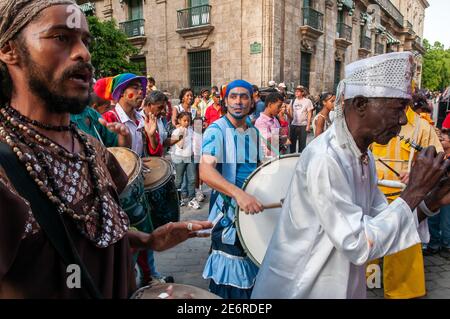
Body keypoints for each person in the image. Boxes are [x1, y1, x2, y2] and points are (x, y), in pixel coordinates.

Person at [0, 0, 212, 299]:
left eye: (85, 41)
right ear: (10, 50)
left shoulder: (94, 150)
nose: (83, 53)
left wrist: (148, 239)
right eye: (61, 37)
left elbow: (92, 234)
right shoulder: (5, 165)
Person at [252, 52, 450, 299]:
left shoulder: (362, 157)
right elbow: (358, 243)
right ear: (360, 104)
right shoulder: (325, 158)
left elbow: (380, 220)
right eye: (397, 109)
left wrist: (432, 200)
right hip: (303, 288)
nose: (401, 120)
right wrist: (415, 190)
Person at [371, 91, 443, 299]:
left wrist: (416, 172)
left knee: (402, 254)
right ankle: (369, 282)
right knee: (365, 253)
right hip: (370, 195)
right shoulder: (376, 119)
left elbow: (437, 159)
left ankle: (401, 291)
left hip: (403, 199)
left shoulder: (422, 126)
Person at [200, 79, 264, 299]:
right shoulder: (215, 130)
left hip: (251, 213)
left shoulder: (253, 132)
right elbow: (205, 172)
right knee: (232, 286)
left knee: (252, 278)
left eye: (244, 96)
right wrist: (239, 194)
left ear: (252, 100)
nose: (238, 102)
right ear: (225, 101)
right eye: (233, 97)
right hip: (228, 215)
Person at [171, 112, 201, 210]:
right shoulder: (176, 132)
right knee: (179, 180)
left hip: (190, 157)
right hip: (180, 158)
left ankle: (192, 199)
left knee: (192, 178)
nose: (187, 123)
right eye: (184, 120)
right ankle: (178, 199)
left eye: (188, 120)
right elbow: (180, 145)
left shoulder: (191, 130)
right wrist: (182, 133)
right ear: (179, 121)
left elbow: (195, 143)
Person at [255, 92, 287, 159]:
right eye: (279, 106)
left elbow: (284, 134)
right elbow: (270, 144)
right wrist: (281, 138)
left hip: (276, 156)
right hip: (267, 160)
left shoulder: (274, 119)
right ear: (270, 105)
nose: (280, 109)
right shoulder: (261, 122)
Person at [288, 85, 314, 153]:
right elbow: (291, 114)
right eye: (295, 91)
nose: (296, 93)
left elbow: (309, 113)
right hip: (294, 124)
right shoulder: (293, 101)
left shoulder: (307, 101)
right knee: (292, 143)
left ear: (302, 92)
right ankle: (292, 157)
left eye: (298, 91)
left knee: (302, 144)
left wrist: (308, 125)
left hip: (303, 125)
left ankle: (301, 157)